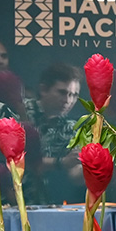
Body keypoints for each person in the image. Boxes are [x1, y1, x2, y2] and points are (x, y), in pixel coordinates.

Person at [25, 62, 83, 203]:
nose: (68, 100)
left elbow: (75, 176)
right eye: (62, 92)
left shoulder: (71, 128)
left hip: (40, 205)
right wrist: (61, 162)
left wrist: (98, 166)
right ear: (44, 89)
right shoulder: (15, 112)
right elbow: (12, 161)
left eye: (74, 95)